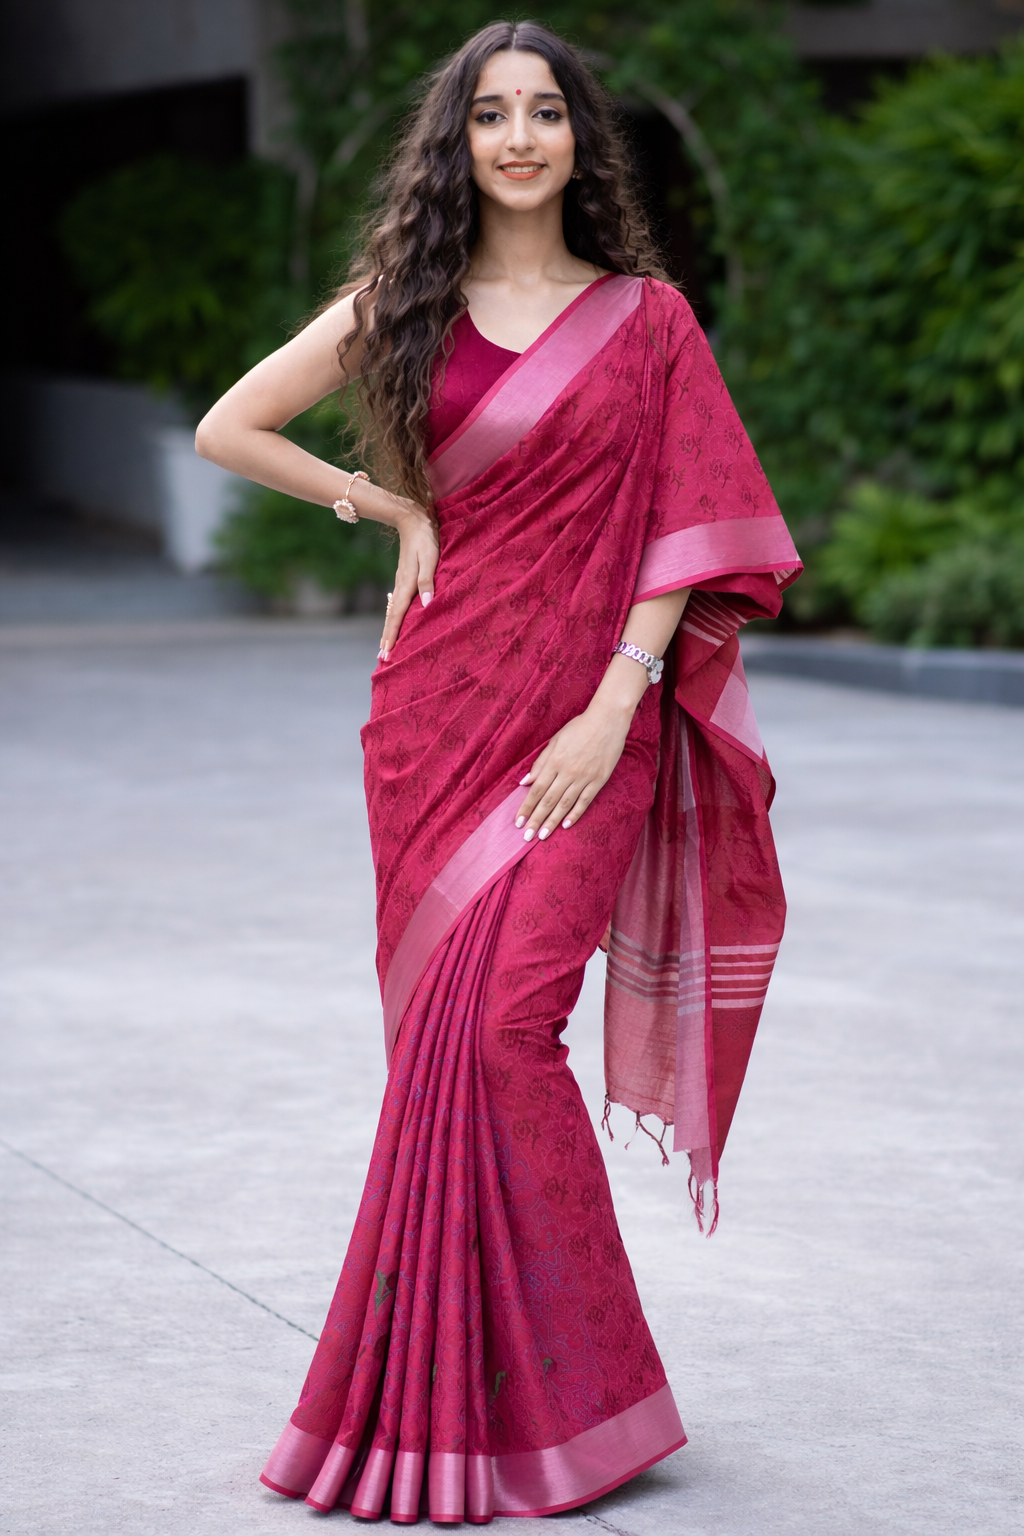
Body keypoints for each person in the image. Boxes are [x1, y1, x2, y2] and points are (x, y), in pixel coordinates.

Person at [196, 19, 800, 1525]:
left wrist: (621, 699)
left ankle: (581, 1397)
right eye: (490, 115)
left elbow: (688, 518)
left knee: (510, 1034)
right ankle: (453, 1395)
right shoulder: (403, 303)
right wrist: (385, 507)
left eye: (545, 112)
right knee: (440, 1058)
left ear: (582, 140)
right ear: (457, 145)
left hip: (589, 723)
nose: (519, 136)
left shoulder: (649, 322)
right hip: (435, 721)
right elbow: (230, 425)